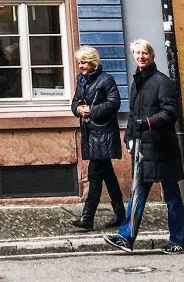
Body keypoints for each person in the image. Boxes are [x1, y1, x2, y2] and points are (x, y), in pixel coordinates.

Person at [104, 39, 184, 255]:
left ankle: (179, 240)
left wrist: (149, 123)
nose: (141, 57)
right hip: (143, 148)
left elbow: (170, 113)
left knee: (171, 197)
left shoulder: (162, 82)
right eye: (137, 53)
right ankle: (126, 237)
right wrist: (129, 136)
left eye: (144, 53)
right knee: (137, 194)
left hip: (162, 148)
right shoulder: (137, 82)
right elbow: (134, 115)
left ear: (151, 55)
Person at [68, 45, 126, 231]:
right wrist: (78, 108)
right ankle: (121, 214)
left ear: (92, 62)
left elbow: (114, 103)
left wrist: (92, 111)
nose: (81, 66)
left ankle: (87, 218)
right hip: (89, 132)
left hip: (103, 133)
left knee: (95, 174)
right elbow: (75, 101)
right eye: (79, 63)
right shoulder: (82, 80)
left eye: (83, 62)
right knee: (107, 175)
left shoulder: (106, 80)